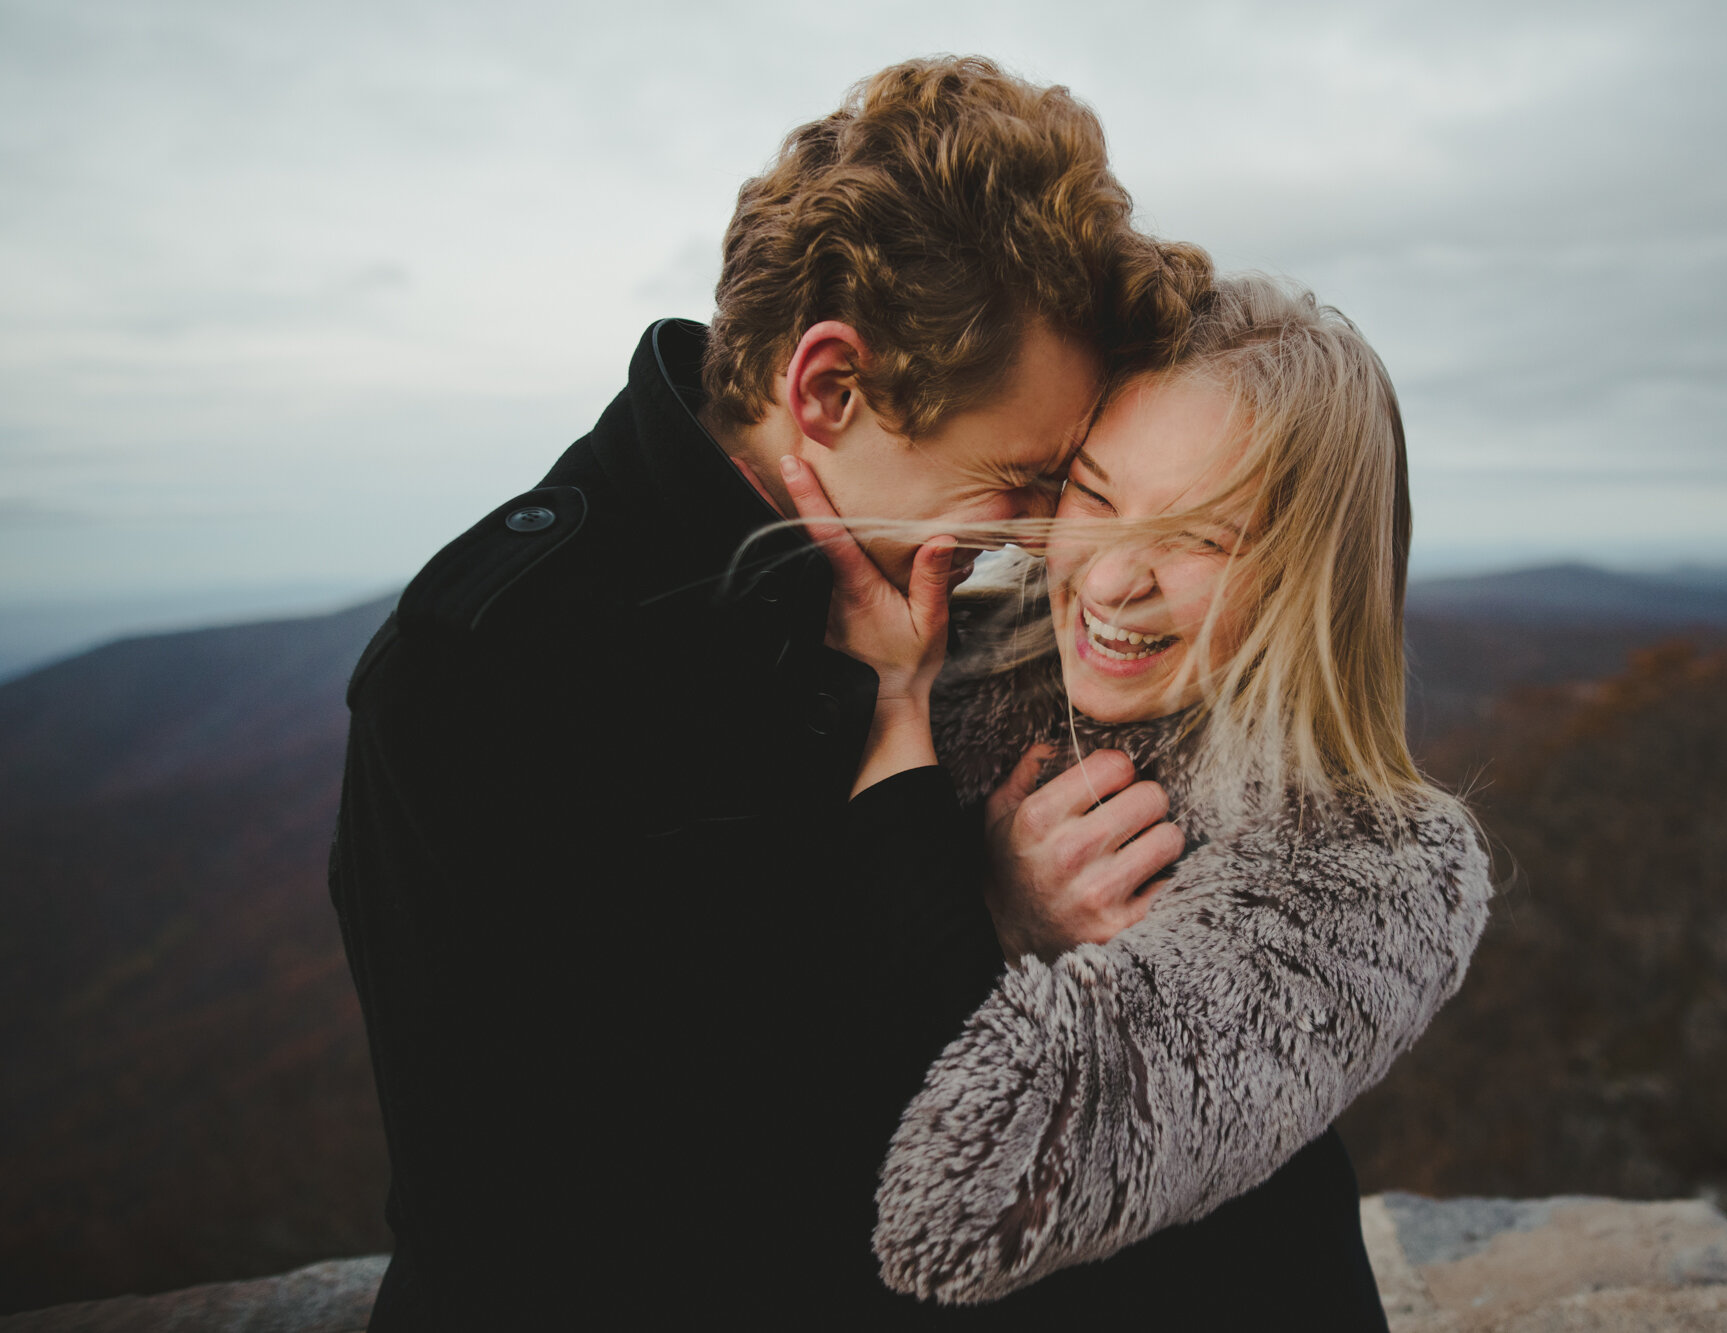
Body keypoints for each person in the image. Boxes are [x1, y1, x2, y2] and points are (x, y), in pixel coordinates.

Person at [327, 56, 1210, 1328]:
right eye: (1016, 480)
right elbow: (631, 1191)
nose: (1038, 537)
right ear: (827, 389)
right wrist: (989, 911)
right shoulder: (498, 671)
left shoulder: (906, 583)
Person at [784, 273, 1493, 1321]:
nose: (1114, 581)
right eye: (1096, 496)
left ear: (1311, 568)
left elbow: (958, 1211)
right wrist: (988, 899)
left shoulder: (1371, 862)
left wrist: (901, 741)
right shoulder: (945, 659)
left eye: (1201, 537)